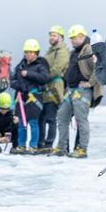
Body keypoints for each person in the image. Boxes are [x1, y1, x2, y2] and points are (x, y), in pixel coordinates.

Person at [55, 25, 102, 158]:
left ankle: (82, 149)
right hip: (71, 90)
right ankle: (61, 148)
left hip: (82, 91)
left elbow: (98, 66)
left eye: (74, 38)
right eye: (71, 39)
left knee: (81, 119)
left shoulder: (89, 49)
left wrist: (90, 83)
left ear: (81, 36)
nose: (72, 41)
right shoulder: (74, 51)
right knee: (62, 116)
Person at [9, 39, 50, 154]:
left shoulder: (40, 66)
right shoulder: (20, 66)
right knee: (22, 123)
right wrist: (21, 86)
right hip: (21, 97)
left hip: (34, 97)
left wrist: (28, 74)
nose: (29, 54)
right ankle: (21, 145)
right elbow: (12, 81)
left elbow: (44, 78)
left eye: (31, 52)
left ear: (36, 53)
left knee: (33, 122)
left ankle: (33, 145)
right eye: (27, 52)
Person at [39, 25, 70, 154]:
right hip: (46, 87)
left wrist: (42, 76)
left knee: (51, 117)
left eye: (54, 35)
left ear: (61, 37)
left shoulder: (62, 51)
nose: (51, 37)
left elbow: (57, 69)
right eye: (50, 35)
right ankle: (42, 143)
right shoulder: (50, 51)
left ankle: (49, 143)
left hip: (55, 88)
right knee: (43, 117)